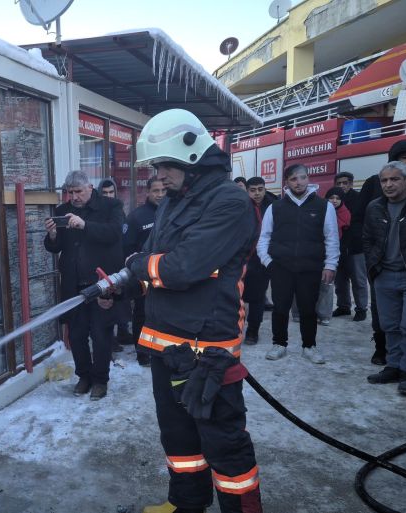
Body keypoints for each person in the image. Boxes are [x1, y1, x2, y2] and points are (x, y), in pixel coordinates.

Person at [126, 109, 263, 513]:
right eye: (156, 166)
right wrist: (123, 286)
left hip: (208, 352)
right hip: (165, 346)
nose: (159, 175)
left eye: (165, 165)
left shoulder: (230, 202)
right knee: (180, 440)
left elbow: (182, 267)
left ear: (192, 155)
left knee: (224, 446)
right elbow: (158, 261)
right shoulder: (173, 200)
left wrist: (139, 267)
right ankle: (185, 505)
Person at [44, 171, 124, 400]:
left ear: (90, 187)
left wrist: (85, 225)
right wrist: (51, 235)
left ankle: (100, 380)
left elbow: (115, 233)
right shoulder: (62, 211)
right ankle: (84, 376)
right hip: (73, 284)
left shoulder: (111, 206)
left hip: (101, 285)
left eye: (78, 191)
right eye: (70, 192)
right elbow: (55, 246)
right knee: (77, 335)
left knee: (100, 335)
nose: (74, 197)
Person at [257, 164, 339, 364]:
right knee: (280, 308)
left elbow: (331, 238)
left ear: (308, 178)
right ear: (287, 182)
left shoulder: (323, 206)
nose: (299, 182)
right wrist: (268, 262)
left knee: (308, 309)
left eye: (302, 177)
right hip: (281, 268)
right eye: (293, 179)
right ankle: (279, 344)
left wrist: (330, 265)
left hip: (310, 268)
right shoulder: (275, 207)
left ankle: (309, 347)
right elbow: (264, 238)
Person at [357, 139, 406, 365]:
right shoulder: (373, 192)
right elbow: (365, 230)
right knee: (386, 319)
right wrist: (371, 263)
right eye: (405, 157)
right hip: (383, 269)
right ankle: (386, 355)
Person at [123, 175, 167, 365]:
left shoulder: (173, 212)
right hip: (143, 274)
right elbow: (127, 248)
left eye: (163, 190)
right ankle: (143, 352)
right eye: (155, 191)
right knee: (142, 313)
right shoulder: (136, 217)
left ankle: (163, 348)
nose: (160, 194)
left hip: (167, 272)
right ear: (147, 192)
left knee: (164, 312)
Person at [98, 177, 132, 351]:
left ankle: (123, 331)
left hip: (120, 259)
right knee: (107, 299)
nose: (108, 196)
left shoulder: (119, 210)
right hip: (104, 262)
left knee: (122, 299)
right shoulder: (99, 213)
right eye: (104, 193)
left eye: (111, 192)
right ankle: (109, 338)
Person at [332, 172, 368, 322]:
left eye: (345, 183)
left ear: (351, 184)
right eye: (339, 183)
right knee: (340, 280)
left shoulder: (360, 199)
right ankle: (343, 306)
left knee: (358, 280)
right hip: (338, 248)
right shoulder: (332, 200)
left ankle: (361, 309)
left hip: (356, 247)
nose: (342, 186)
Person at [243, 177, 274, 345]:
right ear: (247, 191)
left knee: (257, 298)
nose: (257, 193)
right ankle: (232, 328)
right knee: (235, 297)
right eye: (253, 190)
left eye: (260, 189)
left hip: (262, 259)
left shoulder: (274, 206)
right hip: (242, 259)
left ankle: (253, 331)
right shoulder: (240, 206)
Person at [316, 187, 352, 326]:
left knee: (327, 285)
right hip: (319, 252)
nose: (334, 200)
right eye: (331, 198)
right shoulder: (321, 212)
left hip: (337, 254)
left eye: (338, 198)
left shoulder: (346, 214)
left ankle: (324, 315)